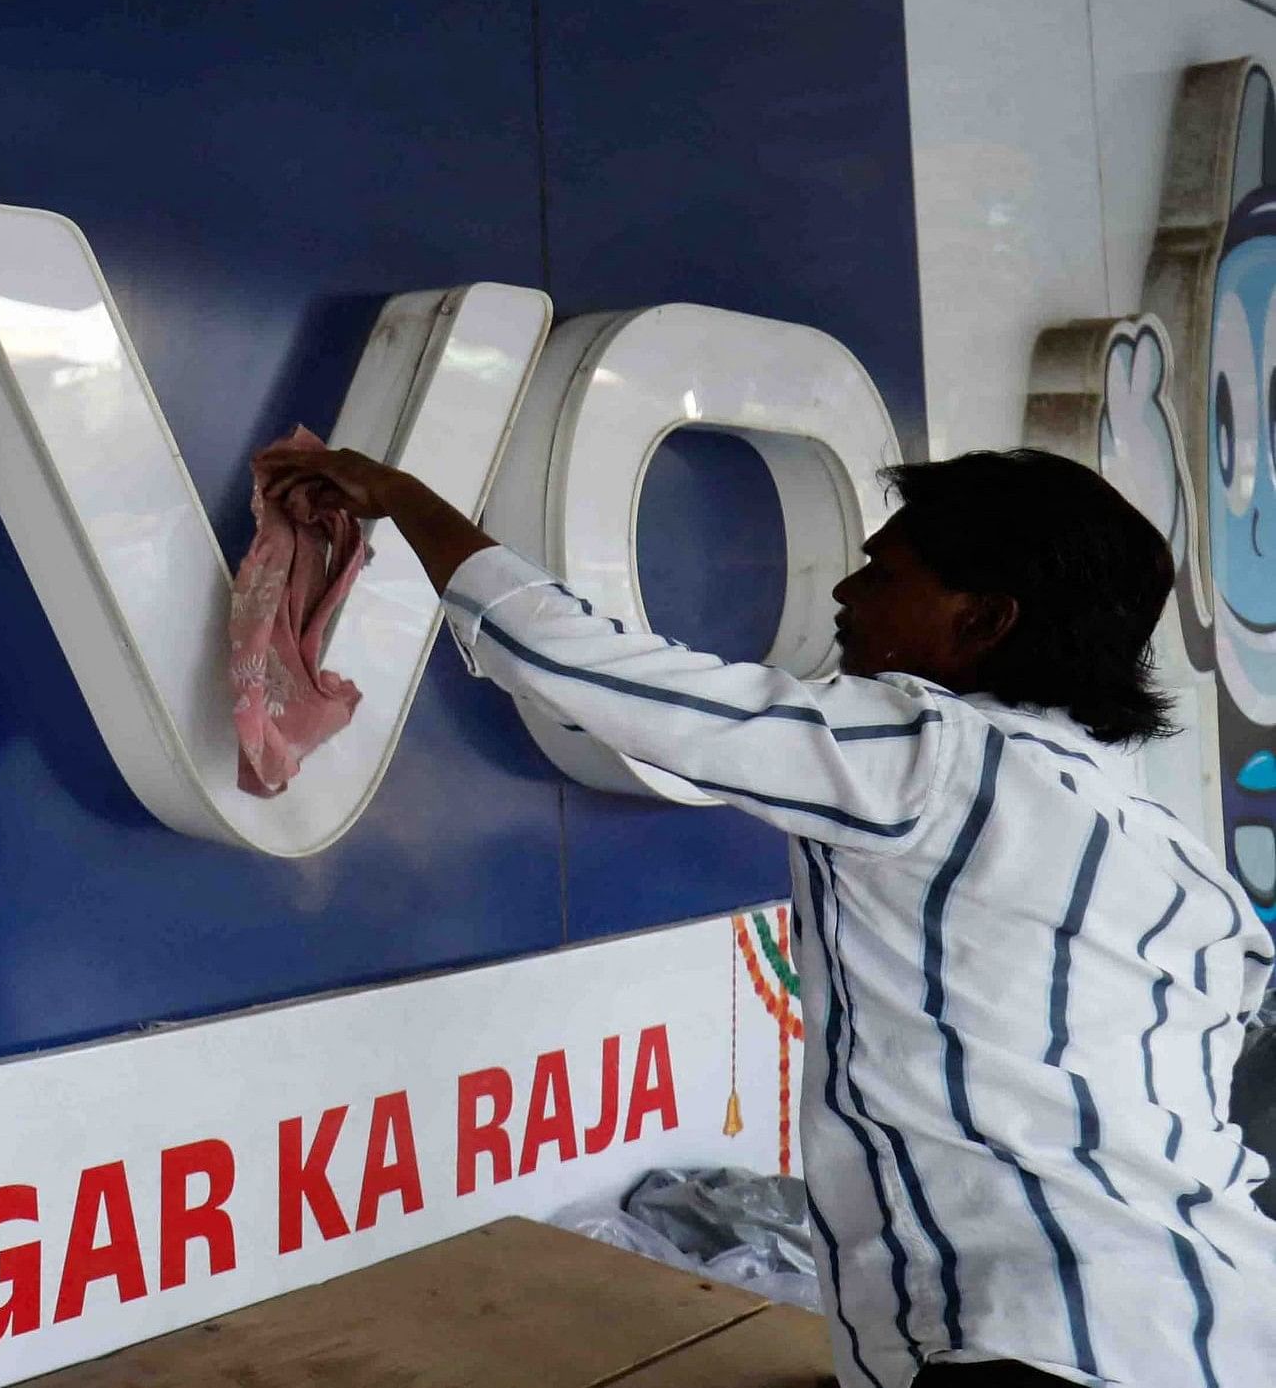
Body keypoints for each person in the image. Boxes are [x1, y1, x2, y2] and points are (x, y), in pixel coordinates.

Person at [258, 443, 1273, 1388]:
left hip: (1044, 1335)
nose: (840, 592)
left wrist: (397, 496)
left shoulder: (929, 755)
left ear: (980, 621)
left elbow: (589, 670)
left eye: (882, 573)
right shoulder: (1168, 854)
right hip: (1216, 1322)